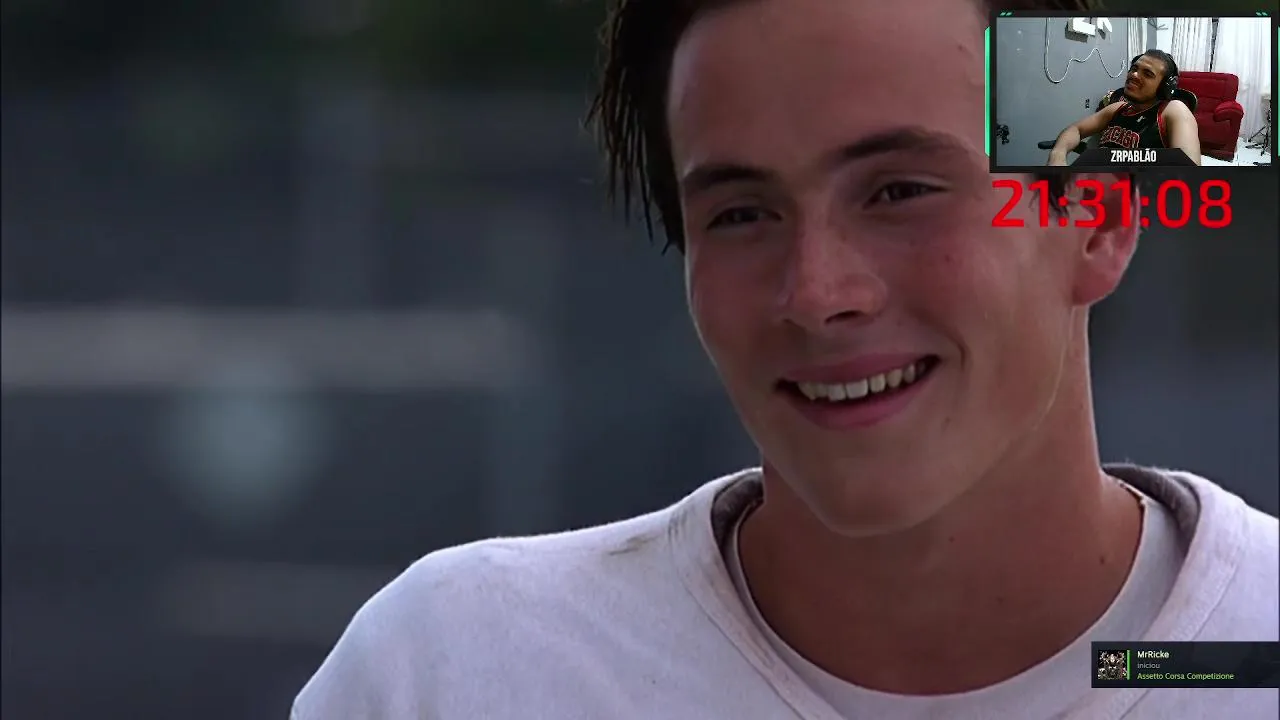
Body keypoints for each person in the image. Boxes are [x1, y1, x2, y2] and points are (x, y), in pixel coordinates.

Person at [292, 0, 1277, 718]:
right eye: (741, 214)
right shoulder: (458, 671)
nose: (816, 291)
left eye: (898, 192)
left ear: (1095, 219)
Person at [1047, 50, 1202, 165]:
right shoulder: (1118, 108)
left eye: (1147, 74)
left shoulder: (1173, 110)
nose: (1134, 75)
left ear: (1165, 87)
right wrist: (1057, 156)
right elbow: (1076, 129)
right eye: (1134, 68)